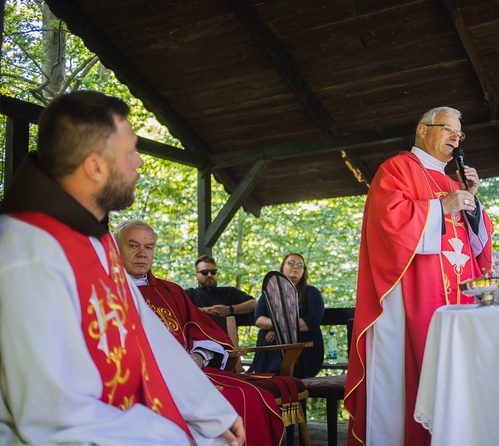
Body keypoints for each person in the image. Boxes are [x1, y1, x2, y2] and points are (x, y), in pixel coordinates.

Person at [0, 91, 244, 445]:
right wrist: (175, 436)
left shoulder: (94, 239)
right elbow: (53, 414)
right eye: (130, 152)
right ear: (95, 166)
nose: (140, 163)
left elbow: (147, 334)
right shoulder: (24, 250)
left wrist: (209, 411)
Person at [344, 106, 494, 446]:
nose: (456, 138)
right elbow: (389, 224)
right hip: (412, 300)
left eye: (460, 133)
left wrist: (473, 199)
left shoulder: (451, 180)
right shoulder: (396, 169)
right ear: (423, 130)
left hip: (459, 300)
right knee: (408, 382)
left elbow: (478, 245)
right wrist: (442, 206)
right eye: (448, 130)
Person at [114, 220, 285, 446]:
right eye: (133, 246)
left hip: (185, 373)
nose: (142, 254)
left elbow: (202, 330)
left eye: (149, 247)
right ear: (115, 249)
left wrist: (198, 357)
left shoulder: (171, 291)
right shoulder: (105, 291)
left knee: (250, 395)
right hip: (135, 380)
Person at [252, 253, 325, 379]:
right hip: (271, 348)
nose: (295, 267)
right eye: (291, 263)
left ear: (304, 271)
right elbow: (259, 319)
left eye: (300, 265)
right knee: (265, 337)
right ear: (282, 267)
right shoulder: (269, 294)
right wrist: (279, 328)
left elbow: (311, 321)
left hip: (303, 352)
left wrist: (278, 330)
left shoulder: (312, 293)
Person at [186, 255, 257, 325]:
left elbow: (254, 303)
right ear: (196, 276)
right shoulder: (189, 294)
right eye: (205, 272)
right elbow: (177, 311)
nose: (210, 275)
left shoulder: (229, 293)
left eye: (213, 272)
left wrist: (230, 309)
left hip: (226, 335)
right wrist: (203, 311)